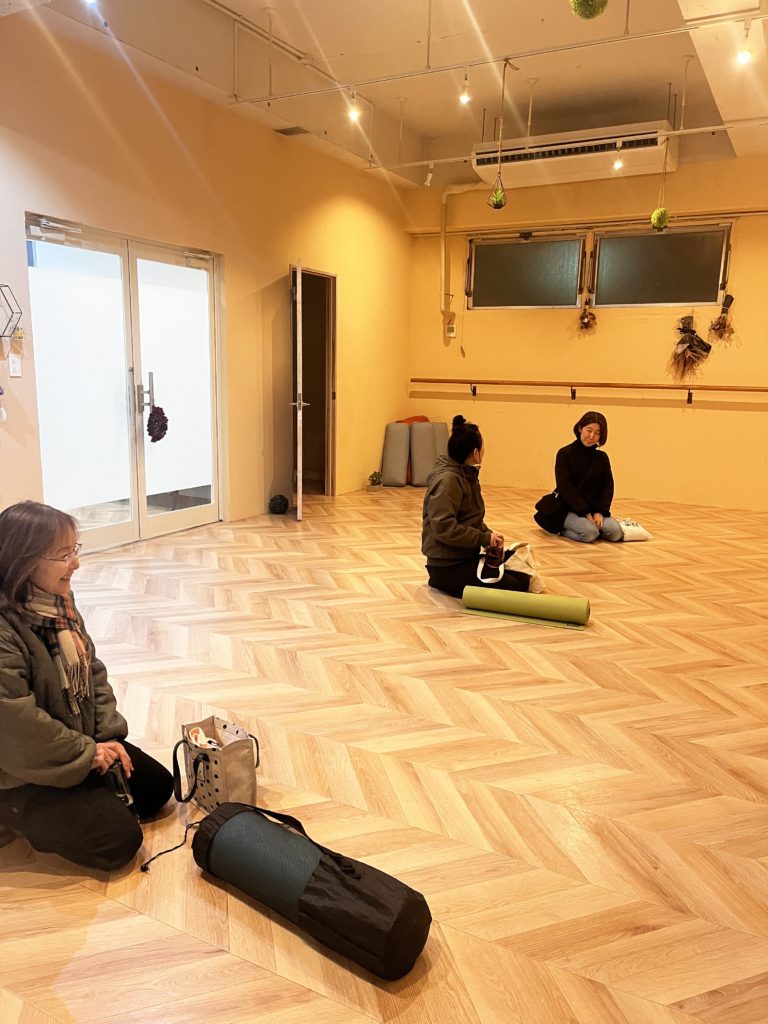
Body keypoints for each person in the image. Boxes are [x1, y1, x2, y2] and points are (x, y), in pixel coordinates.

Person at [0, 500, 173, 871]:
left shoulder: (56, 601)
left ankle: (80, 782)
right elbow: (14, 723)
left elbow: (91, 668)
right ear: (24, 561)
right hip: (17, 771)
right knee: (118, 841)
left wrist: (104, 737)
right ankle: (10, 813)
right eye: (64, 555)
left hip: (68, 739)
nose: (76, 563)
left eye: (74, 550)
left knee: (157, 787)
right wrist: (86, 753)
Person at [421, 415, 531, 598]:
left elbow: (469, 518)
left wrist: (489, 536)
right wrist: (483, 538)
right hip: (447, 565)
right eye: (483, 447)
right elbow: (445, 528)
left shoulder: (466, 474)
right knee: (518, 584)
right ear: (475, 452)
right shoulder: (448, 480)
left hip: (462, 557)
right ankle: (442, 582)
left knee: (522, 574)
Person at [552, 411, 623, 544]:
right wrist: (585, 512)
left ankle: (590, 528)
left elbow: (608, 487)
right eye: (588, 430)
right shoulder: (564, 453)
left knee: (615, 533)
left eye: (597, 433)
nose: (591, 436)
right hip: (569, 508)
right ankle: (562, 528)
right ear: (580, 428)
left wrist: (600, 512)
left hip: (594, 509)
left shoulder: (602, 457)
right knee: (590, 533)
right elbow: (565, 487)